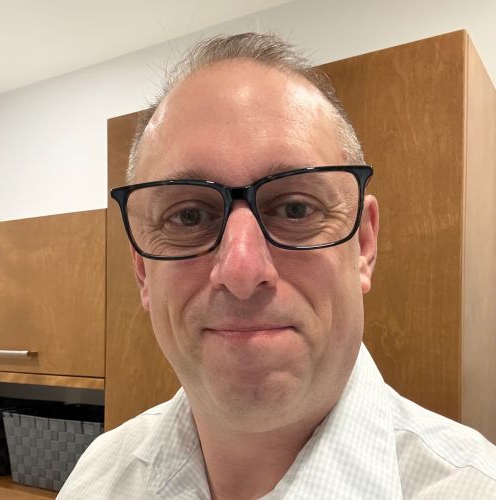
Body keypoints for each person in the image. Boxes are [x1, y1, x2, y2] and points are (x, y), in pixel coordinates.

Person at [58, 33, 496, 499]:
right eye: (189, 217)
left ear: (364, 244)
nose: (241, 271)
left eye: (295, 209)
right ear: (143, 271)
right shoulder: (96, 478)